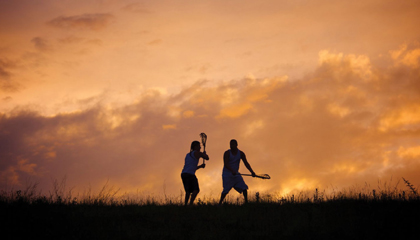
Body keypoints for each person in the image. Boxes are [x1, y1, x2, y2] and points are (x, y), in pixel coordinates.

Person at [219, 139, 256, 204]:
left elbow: (246, 163)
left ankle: (246, 202)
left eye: (233, 144)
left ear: (236, 145)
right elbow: (226, 164)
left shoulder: (241, 153)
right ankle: (219, 204)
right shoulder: (227, 153)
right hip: (227, 174)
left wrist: (252, 172)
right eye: (230, 144)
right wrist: (232, 171)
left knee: (244, 187)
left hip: (236, 174)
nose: (231, 146)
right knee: (226, 190)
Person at [181, 140, 209, 205]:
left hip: (184, 174)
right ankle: (190, 204)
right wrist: (204, 154)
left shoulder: (188, 155)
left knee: (188, 191)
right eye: (199, 146)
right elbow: (207, 158)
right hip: (190, 175)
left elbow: (192, 167)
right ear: (195, 147)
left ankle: (185, 205)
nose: (200, 148)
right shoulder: (197, 153)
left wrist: (200, 166)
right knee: (196, 190)